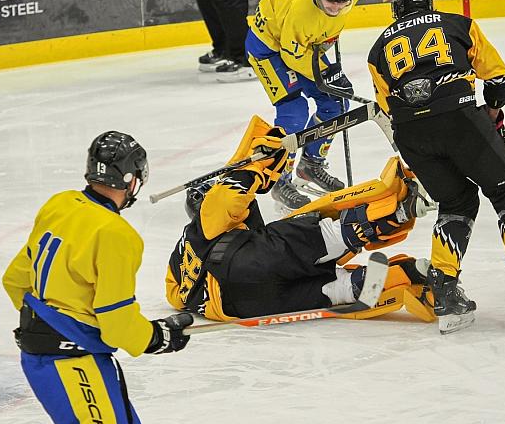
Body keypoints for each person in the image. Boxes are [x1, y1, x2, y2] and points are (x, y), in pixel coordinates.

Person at [367, 0, 505, 334]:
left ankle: (446, 295)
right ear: (429, 1)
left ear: (396, 7)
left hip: (412, 135)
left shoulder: (377, 48)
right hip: (460, 120)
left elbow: (387, 106)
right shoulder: (459, 25)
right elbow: (500, 79)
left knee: (456, 203)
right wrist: (491, 113)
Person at [2, 131, 193, 424]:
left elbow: (15, 279)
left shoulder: (60, 204)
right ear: (131, 179)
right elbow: (116, 320)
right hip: (74, 363)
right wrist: (156, 337)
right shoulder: (116, 234)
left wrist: (44, 326)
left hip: (41, 360)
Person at [165, 115, 435, 324]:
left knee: (331, 289)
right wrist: (256, 165)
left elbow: (175, 297)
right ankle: (399, 211)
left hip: (242, 306)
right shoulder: (207, 219)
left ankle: (408, 275)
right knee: (310, 236)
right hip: (243, 265)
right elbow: (226, 195)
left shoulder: (179, 261)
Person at [243, 0, 367, 209]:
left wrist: (329, 77)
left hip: (304, 45)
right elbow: (292, 57)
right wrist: (328, 73)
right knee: (294, 111)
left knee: (336, 103)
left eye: (341, 3)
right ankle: (280, 178)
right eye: (328, 2)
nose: (334, 8)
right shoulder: (302, 13)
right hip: (268, 47)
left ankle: (311, 164)